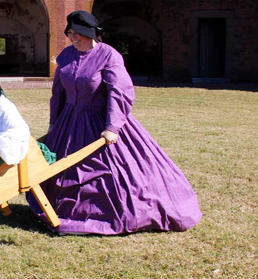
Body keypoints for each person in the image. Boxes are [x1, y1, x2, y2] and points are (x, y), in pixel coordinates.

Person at [29, 11, 202, 235]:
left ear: (90, 34)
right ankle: (60, 208)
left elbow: (120, 92)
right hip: (69, 123)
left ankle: (113, 212)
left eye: (78, 33)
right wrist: (55, 122)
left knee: (113, 171)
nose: (73, 37)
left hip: (101, 121)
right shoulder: (65, 56)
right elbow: (58, 92)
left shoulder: (108, 55)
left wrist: (112, 127)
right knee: (63, 168)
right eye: (70, 32)